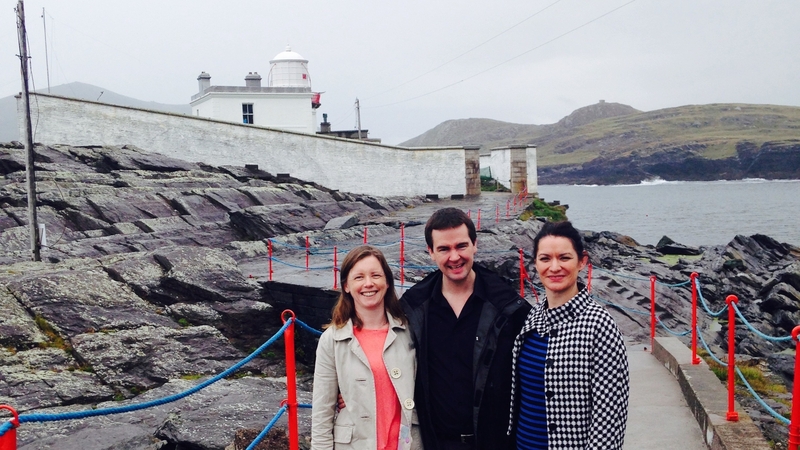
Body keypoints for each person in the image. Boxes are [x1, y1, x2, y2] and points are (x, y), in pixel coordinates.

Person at [401, 207, 531, 450]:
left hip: (495, 444)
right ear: (430, 252)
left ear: (475, 244)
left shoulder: (509, 307)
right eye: (444, 249)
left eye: (461, 246)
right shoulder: (413, 307)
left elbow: (534, 371)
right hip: (436, 444)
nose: (454, 257)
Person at [507, 221, 629, 449]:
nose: (554, 267)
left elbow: (609, 421)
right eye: (545, 259)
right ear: (535, 263)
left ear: (582, 261)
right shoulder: (532, 317)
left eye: (564, 258)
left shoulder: (599, 325)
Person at [311, 245, 421, 450]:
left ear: (387, 282)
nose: (368, 284)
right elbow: (322, 413)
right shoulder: (332, 340)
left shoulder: (411, 330)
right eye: (359, 277)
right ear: (346, 286)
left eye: (375, 275)